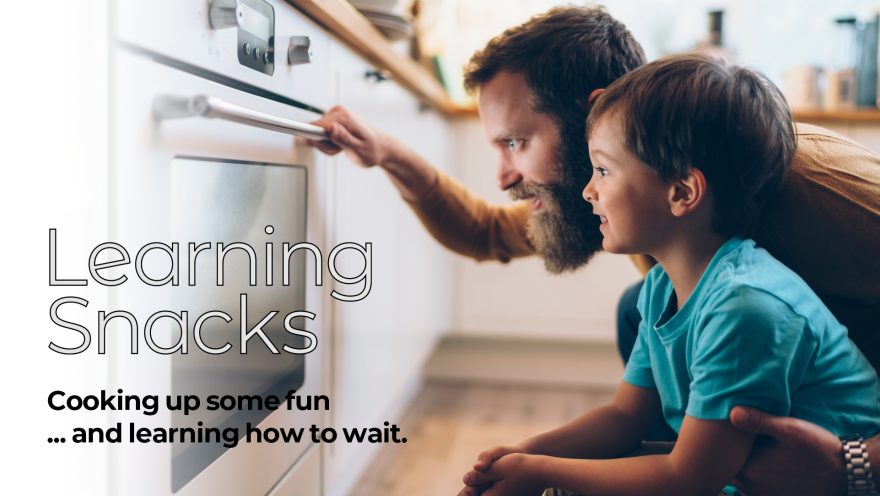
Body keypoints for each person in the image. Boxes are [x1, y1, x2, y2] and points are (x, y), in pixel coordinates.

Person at [308, 6, 880, 494]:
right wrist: (387, 154)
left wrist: (853, 466)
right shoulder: (649, 212)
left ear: (592, 114)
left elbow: (688, 477)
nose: (505, 177)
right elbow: (484, 232)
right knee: (639, 309)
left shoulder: (815, 191)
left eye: (517, 141)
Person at [455, 50, 880, 496]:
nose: (588, 190)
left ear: (682, 192)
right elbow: (625, 416)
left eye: (603, 170)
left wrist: (545, 473)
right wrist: (528, 455)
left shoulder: (746, 308)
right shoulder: (662, 286)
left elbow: (688, 478)